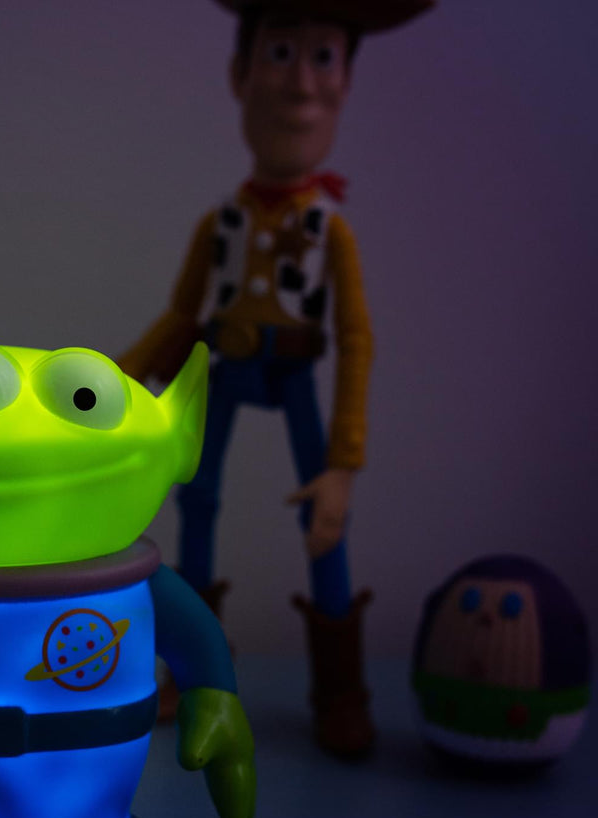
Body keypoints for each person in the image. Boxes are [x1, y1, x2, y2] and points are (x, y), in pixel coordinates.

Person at [119, 0, 433, 755]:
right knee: (196, 499)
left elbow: (355, 339)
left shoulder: (329, 228)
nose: (300, 85)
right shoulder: (221, 224)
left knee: (323, 522)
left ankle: (341, 691)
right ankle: (194, 671)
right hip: (223, 369)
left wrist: (344, 465)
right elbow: (181, 317)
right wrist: (119, 388)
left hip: (294, 376)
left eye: (323, 57)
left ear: (346, 81)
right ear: (240, 73)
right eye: (281, 53)